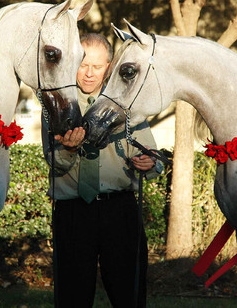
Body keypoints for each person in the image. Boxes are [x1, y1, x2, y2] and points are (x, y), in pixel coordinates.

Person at [41, 33, 163, 307]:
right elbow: (54, 164)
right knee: (72, 297)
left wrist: (150, 163)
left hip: (119, 212)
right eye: (83, 65)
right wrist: (69, 150)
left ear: (109, 67)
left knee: (128, 295)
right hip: (72, 213)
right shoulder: (56, 104)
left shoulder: (127, 103)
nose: (88, 74)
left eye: (97, 67)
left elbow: (153, 158)